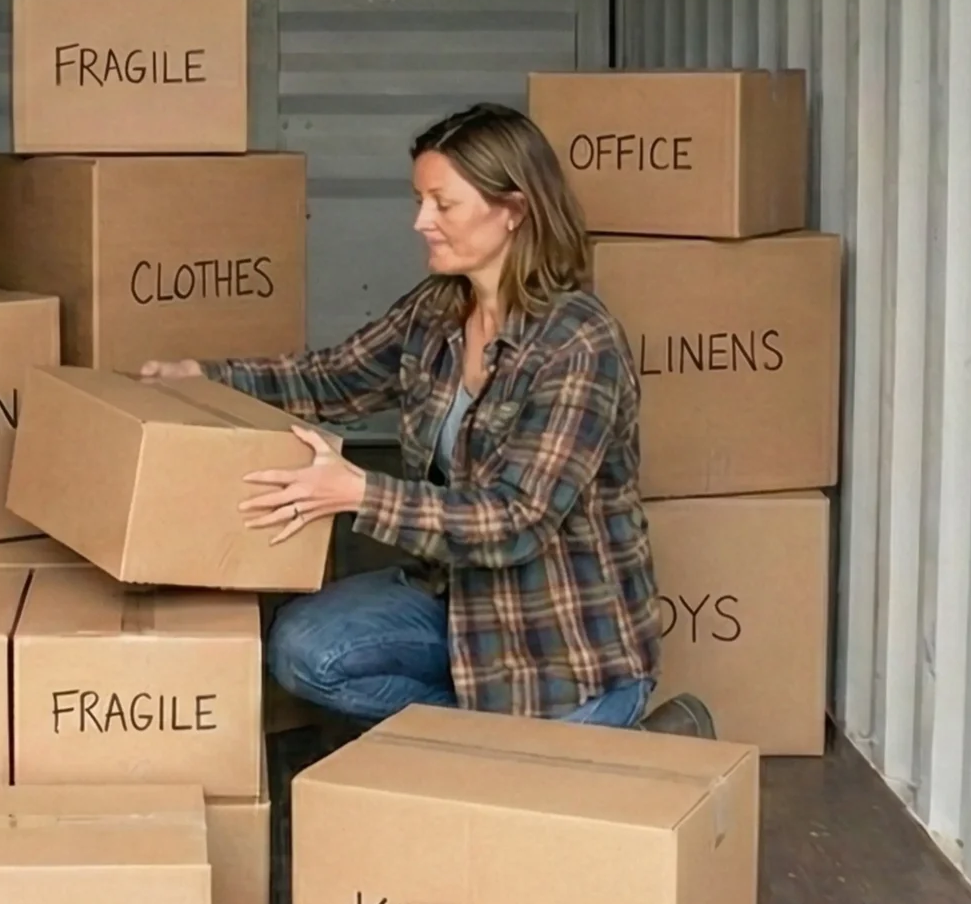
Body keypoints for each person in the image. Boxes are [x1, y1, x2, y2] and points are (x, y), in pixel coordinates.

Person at [141, 101, 713, 735]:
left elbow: (515, 521)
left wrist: (358, 492)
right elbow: (333, 376)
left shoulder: (579, 344)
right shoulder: (440, 309)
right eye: (420, 201)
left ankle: (598, 741)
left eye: (444, 204)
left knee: (514, 809)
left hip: (559, 648)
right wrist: (204, 378)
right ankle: (487, 744)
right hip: (452, 597)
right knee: (306, 653)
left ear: (514, 210)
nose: (421, 222)